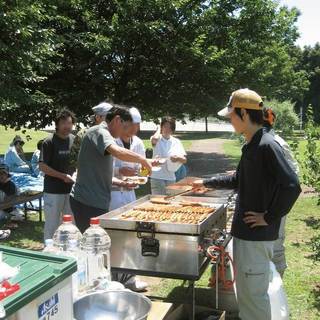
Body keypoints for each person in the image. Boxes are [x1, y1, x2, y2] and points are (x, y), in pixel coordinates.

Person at [192, 88, 301, 320]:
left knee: (254, 297)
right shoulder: (252, 144)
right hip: (246, 235)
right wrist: (206, 182)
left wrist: (268, 217)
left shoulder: (267, 145)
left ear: (243, 113)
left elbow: (292, 186)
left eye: (231, 115)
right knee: (249, 296)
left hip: (256, 236)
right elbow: (239, 180)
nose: (230, 120)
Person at [70, 105, 152, 233]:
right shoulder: (99, 131)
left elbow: (99, 172)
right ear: (117, 120)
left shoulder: (105, 134)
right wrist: (143, 160)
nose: (124, 133)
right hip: (87, 201)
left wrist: (121, 183)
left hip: (97, 200)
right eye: (125, 127)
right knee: (93, 242)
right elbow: (118, 152)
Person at [109, 107, 148, 292]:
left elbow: (142, 167)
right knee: (114, 236)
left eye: (137, 126)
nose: (134, 130)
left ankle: (130, 278)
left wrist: (140, 172)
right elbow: (106, 168)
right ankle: (113, 279)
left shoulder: (138, 143)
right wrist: (119, 171)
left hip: (130, 193)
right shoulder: (112, 142)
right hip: (113, 194)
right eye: (131, 126)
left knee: (132, 236)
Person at [263, 107, 299, 277]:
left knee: (276, 243)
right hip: (268, 202)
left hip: (276, 204)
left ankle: (278, 283)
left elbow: (293, 177)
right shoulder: (265, 140)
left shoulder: (276, 143)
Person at [39, 109, 76, 241]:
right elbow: (42, 166)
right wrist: (62, 176)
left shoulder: (74, 140)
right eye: (63, 123)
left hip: (71, 190)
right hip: (53, 191)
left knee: (70, 224)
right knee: (52, 224)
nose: (67, 126)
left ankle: (69, 253)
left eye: (69, 123)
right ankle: (49, 252)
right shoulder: (48, 142)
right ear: (57, 124)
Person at [69, 102, 114, 169]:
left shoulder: (113, 134)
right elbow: (73, 160)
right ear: (98, 117)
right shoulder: (83, 134)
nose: (112, 120)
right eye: (109, 117)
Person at [150, 117, 187, 195]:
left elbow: (184, 160)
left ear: (172, 129)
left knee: (170, 201)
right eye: (165, 126)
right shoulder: (157, 138)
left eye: (170, 127)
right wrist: (158, 128)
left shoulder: (176, 142)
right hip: (157, 177)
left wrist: (178, 158)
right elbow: (155, 139)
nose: (167, 129)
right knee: (157, 201)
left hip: (171, 177)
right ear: (161, 127)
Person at [0, 164, 18, 240]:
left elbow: (7, 203)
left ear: (7, 175)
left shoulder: (10, 185)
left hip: (6, 211)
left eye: (3, 174)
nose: (1, 176)